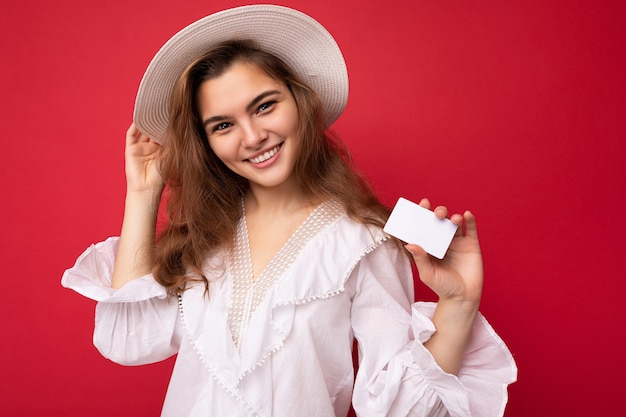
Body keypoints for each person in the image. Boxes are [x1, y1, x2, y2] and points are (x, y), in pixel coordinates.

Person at [62, 4, 516, 417]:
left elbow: (401, 411)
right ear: (206, 142)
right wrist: (143, 194)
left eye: (264, 106)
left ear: (300, 101)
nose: (252, 136)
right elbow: (127, 341)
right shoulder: (203, 236)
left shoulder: (366, 240)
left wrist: (458, 304)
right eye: (223, 125)